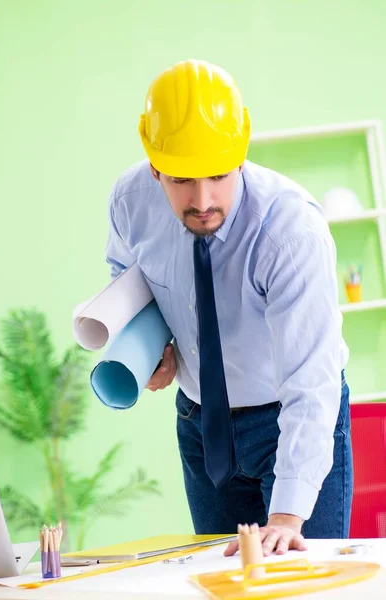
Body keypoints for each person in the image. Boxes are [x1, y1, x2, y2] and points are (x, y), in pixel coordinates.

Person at [104, 59, 353, 557]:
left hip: (289, 417)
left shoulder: (289, 231)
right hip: (201, 425)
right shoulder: (131, 199)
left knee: (303, 581)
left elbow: (312, 380)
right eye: (180, 180)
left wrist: (285, 516)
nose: (202, 200)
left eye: (218, 175)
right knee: (220, 583)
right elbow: (127, 279)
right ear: (154, 164)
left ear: (240, 153)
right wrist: (155, 348)